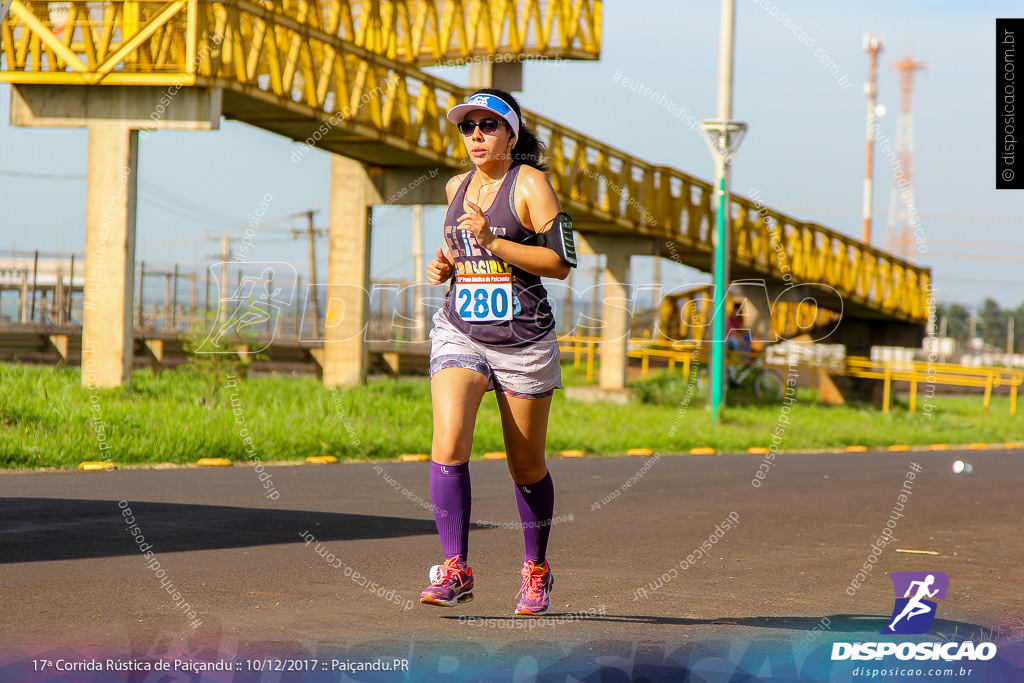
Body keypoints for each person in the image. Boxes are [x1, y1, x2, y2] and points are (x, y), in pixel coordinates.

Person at [420, 89, 575, 616]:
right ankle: (455, 568)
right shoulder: (455, 186)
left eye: (489, 126)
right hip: (460, 329)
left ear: (512, 133)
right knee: (448, 441)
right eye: (468, 128)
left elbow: (559, 264)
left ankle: (536, 571)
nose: (477, 136)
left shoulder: (531, 184)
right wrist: (446, 266)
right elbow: (462, 254)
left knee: (525, 466)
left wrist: (494, 240)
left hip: (523, 339)